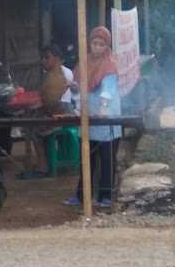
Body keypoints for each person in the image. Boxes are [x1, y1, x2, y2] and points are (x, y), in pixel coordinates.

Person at [65, 26, 122, 208]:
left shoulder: (110, 64)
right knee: (86, 159)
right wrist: (74, 90)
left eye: (101, 44)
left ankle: (105, 196)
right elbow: (78, 86)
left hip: (106, 120)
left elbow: (108, 90)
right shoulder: (84, 62)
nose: (97, 47)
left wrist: (103, 109)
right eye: (94, 43)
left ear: (107, 46)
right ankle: (82, 195)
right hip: (88, 116)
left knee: (107, 160)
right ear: (89, 44)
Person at [18, 44, 70, 179]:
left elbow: (52, 103)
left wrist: (40, 107)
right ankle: (42, 163)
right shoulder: (51, 74)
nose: (44, 61)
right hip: (54, 111)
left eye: (47, 58)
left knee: (33, 129)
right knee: (30, 121)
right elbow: (47, 99)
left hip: (62, 114)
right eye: (43, 58)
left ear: (57, 59)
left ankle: (43, 167)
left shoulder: (60, 75)